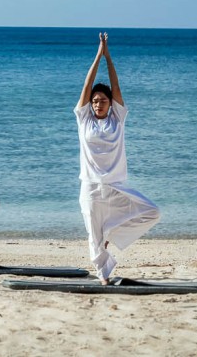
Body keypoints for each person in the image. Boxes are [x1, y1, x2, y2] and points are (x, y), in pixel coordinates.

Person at [75, 33, 160, 283]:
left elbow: (117, 86)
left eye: (103, 101)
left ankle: (112, 233)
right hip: (91, 187)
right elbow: (86, 86)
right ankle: (103, 274)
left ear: (111, 104)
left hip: (116, 187)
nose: (98, 104)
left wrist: (107, 56)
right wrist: (96, 56)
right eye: (95, 101)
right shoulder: (84, 120)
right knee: (93, 236)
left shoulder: (117, 119)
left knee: (151, 212)